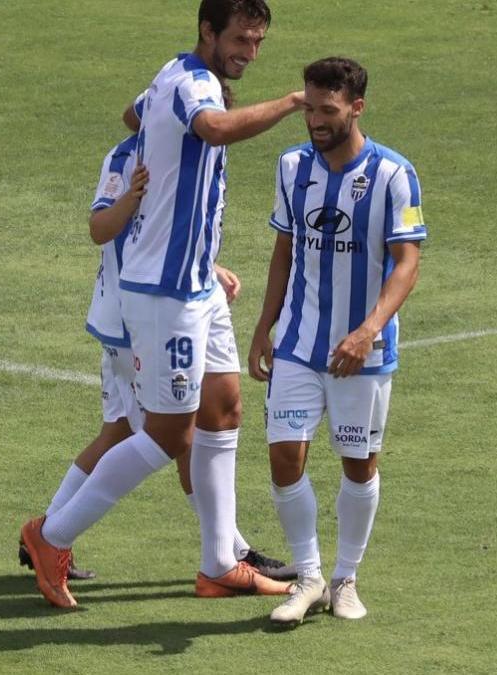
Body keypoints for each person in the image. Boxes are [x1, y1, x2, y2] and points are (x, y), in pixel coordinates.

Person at [20, 0, 306, 609]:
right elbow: (215, 129)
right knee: (167, 433)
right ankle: (50, 537)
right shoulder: (194, 84)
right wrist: (290, 104)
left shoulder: (172, 76)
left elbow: (132, 113)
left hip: (199, 284)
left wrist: (153, 121)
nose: (249, 54)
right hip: (162, 292)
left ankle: (218, 564)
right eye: (239, 40)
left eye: (257, 43)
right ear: (207, 31)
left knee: (223, 409)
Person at [248, 57, 427, 625]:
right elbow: (284, 251)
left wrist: (368, 330)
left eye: (328, 110)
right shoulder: (291, 166)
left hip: (363, 353)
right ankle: (309, 577)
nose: (316, 121)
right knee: (283, 458)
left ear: (356, 107)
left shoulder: (395, 175)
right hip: (300, 342)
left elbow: (407, 262)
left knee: (358, 464)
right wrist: (263, 326)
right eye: (309, 108)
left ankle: (346, 578)